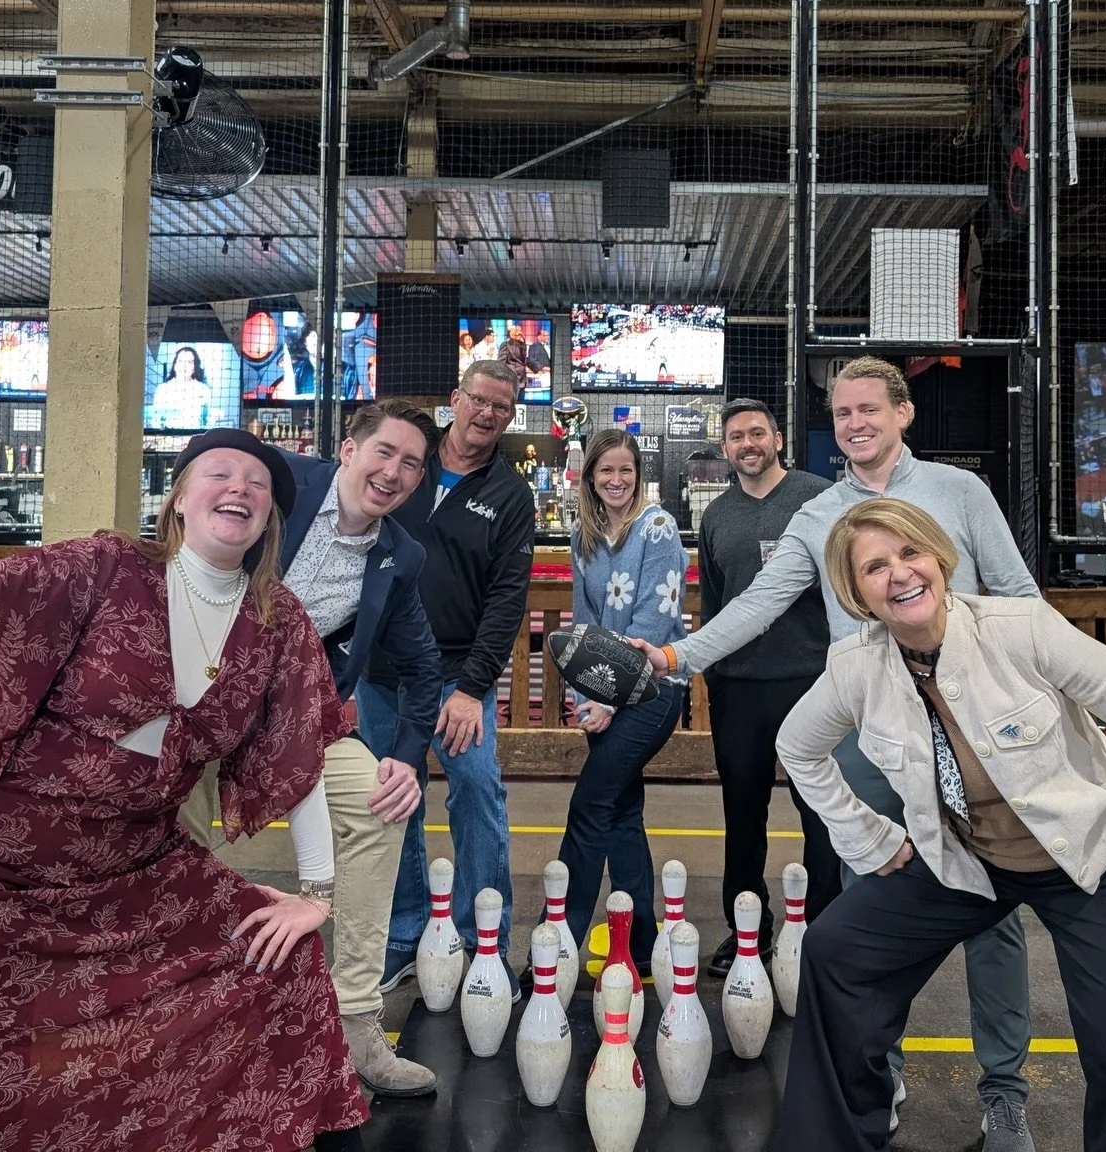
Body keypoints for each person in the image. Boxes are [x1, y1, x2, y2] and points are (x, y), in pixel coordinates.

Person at [0, 429, 368, 1152]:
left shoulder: (278, 623)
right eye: (219, 472)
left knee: (280, 955)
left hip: (134, 867)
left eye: (258, 483)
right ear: (180, 498)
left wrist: (316, 895)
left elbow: (299, 757)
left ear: (271, 516)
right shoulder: (106, 569)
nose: (239, 488)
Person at [634, 356, 1040, 1150]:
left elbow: (1021, 599)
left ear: (902, 413)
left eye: (868, 409)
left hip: (973, 739)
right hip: (870, 743)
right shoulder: (820, 514)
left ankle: (1005, 1098)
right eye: (842, 412)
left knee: (993, 916)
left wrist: (1026, 704)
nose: (854, 423)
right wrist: (680, 656)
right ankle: (878, 1078)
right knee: (871, 918)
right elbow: (758, 602)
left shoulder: (960, 493)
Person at [775, 497, 1106, 1152]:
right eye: (875, 567)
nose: (899, 574)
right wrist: (867, 837)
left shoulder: (1022, 628)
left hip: (1089, 860)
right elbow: (796, 747)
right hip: (970, 860)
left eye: (910, 553)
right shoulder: (856, 667)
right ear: (857, 593)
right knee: (834, 951)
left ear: (939, 558)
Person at [179, 398, 445, 1099]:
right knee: (167, 832)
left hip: (291, 716)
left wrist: (406, 757)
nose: (393, 472)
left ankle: (355, 1023)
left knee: (382, 804)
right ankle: (175, 1011)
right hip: (189, 705)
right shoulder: (278, 482)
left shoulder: (399, 555)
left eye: (411, 464)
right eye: (384, 451)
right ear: (349, 450)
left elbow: (423, 666)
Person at [356, 360, 535, 999]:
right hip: (384, 674)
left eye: (501, 407)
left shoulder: (510, 495)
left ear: (509, 417)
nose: (487, 414)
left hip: (458, 678)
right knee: (392, 802)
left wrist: (470, 689)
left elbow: (507, 601)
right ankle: (405, 935)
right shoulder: (406, 465)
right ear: (455, 400)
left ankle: (484, 943)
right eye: (479, 400)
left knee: (478, 796)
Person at [697, 398, 841, 977]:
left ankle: (824, 933)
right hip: (739, 689)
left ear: (778, 439)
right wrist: (714, 677)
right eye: (736, 437)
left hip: (812, 682)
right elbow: (713, 605)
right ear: (726, 449)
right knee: (743, 816)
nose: (748, 444)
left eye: (757, 433)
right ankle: (746, 932)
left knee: (822, 813)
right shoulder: (716, 516)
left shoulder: (819, 498)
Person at [558, 429, 689, 973]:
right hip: (606, 698)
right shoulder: (583, 536)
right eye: (606, 470)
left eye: (626, 470)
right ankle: (640, 946)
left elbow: (653, 624)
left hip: (653, 692)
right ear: (590, 477)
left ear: (639, 475)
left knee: (589, 809)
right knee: (620, 814)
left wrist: (609, 700)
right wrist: (583, 695)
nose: (616, 480)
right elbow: (582, 625)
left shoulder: (657, 529)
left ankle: (557, 945)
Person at [150, 344, 214, 429]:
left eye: (189, 362)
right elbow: (156, 420)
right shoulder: (163, 389)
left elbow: (209, 420)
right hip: (169, 435)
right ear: (175, 366)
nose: (184, 366)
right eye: (180, 361)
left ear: (195, 368)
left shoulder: (204, 390)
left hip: (195, 436)